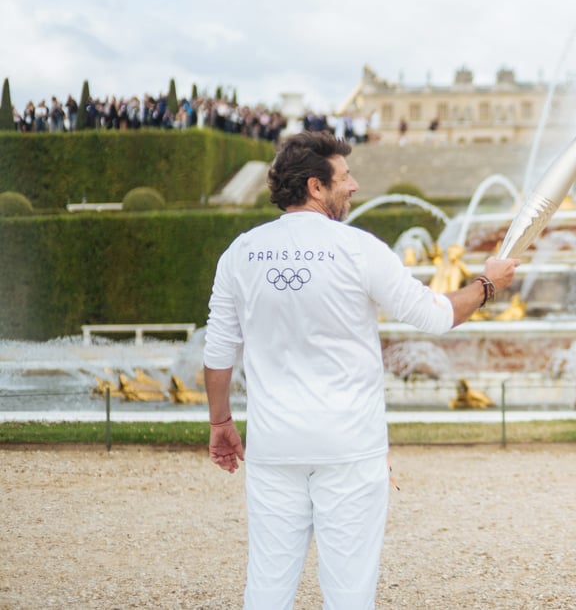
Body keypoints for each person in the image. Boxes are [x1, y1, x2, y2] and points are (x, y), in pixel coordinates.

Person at [202, 131, 519, 608]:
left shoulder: (241, 252)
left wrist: (220, 422)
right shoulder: (358, 248)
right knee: (350, 593)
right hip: (350, 446)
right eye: (345, 177)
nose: (353, 186)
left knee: (266, 588)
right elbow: (434, 315)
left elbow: (218, 350)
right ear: (315, 186)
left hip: (274, 445)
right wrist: (487, 284)